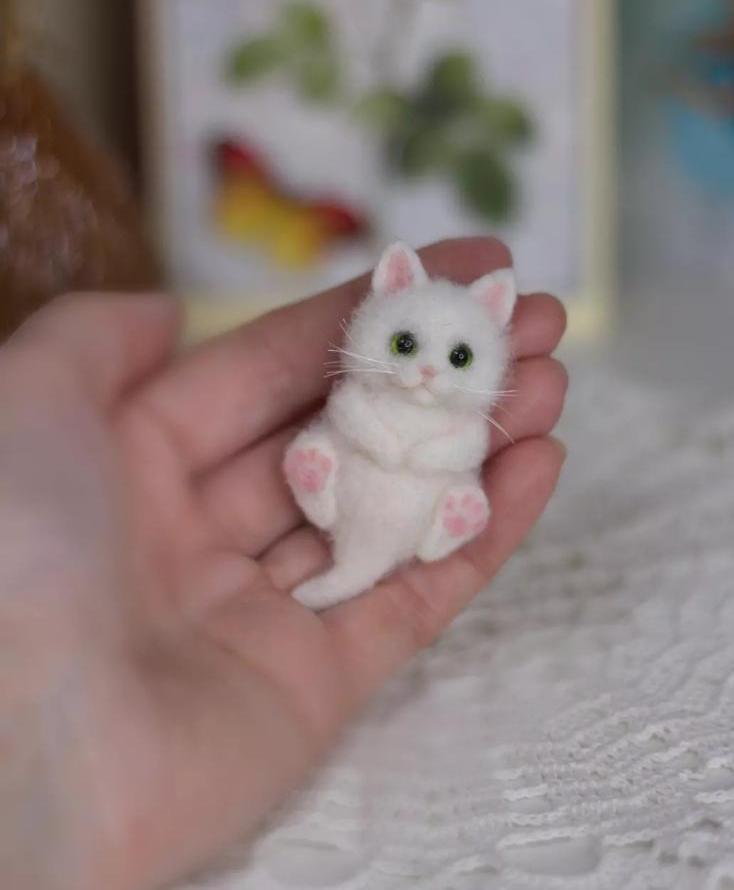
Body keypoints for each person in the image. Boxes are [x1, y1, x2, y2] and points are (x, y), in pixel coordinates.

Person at [0, 239, 567, 890]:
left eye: (459, 357)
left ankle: (444, 531)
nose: (427, 372)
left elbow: (459, 451)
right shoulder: (356, 397)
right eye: (406, 344)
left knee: (456, 494)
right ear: (381, 313)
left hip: (415, 509)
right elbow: (350, 418)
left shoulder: (466, 431)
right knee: (320, 454)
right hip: (350, 497)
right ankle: (318, 489)